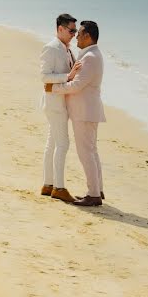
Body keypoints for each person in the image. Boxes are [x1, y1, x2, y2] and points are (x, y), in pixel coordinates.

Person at [46, 20, 105, 207]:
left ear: (87, 36)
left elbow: (77, 85)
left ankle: (94, 194)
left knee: (86, 153)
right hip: (87, 111)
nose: (76, 37)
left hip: (84, 112)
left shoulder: (90, 57)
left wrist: (53, 88)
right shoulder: (91, 54)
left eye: (79, 33)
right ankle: (98, 190)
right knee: (91, 152)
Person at [39, 13, 80, 203]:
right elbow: (44, 76)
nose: (74, 34)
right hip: (55, 104)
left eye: (76, 31)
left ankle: (48, 185)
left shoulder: (65, 48)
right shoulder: (51, 48)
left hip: (57, 101)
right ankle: (59, 187)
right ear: (60, 29)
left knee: (53, 143)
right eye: (71, 30)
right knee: (63, 144)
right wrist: (68, 76)